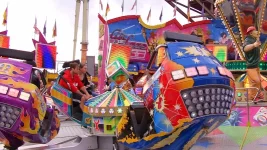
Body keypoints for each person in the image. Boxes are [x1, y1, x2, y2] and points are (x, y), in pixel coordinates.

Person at [243, 26, 264, 100]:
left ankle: (258, 95)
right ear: (251, 33)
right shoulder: (248, 39)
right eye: (256, 31)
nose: (258, 32)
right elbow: (245, 48)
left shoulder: (254, 39)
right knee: (256, 81)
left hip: (255, 65)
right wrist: (254, 45)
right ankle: (252, 97)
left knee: (258, 82)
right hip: (251, 66)